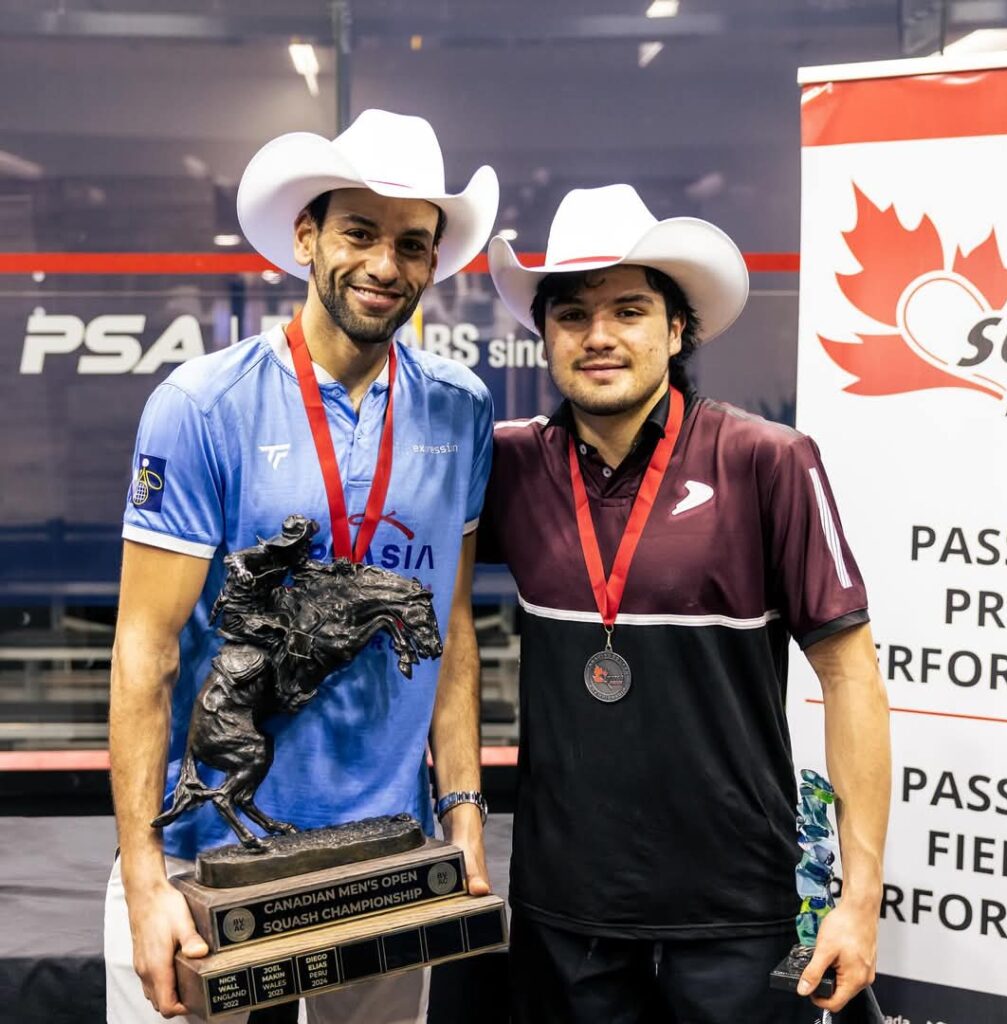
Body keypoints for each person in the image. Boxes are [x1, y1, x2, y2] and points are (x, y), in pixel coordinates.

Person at [105, 109, 498, 1024]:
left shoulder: (462, 411)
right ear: (308, 236)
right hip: (206, 854)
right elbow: (144, 651)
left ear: (434, 262)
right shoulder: (202, 406)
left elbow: (455, 625)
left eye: (411, 243)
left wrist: (465, 812)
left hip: (384, 848)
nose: (383, 265)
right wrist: (142, 879)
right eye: (358, 232)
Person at [478, 184, 891, 1023]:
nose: (598, 336)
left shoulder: (767, 461)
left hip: (734, 909)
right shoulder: (509, 466)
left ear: (675, 329)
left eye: (628, 310)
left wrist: (859, 896)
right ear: (544, 338)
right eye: (571, 315)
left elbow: (852, 678)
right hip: (566, 913)